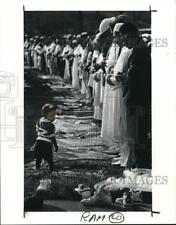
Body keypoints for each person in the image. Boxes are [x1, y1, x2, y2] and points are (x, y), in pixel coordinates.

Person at [118, 22, 151, 168]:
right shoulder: (137, 50)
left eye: (123, 37)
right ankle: (137, 166)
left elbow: (139, 80)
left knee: (138, 137)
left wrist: (125, 77)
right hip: (135, 100)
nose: (123, 41)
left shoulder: (140, 51)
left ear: (130, 34)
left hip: (137, 101)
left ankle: (140, 169)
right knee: (135, 137)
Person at [34, 104, 59, 173]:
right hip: (47, 144)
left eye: (55, 115)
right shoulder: (51, 125)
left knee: (38, 158)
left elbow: (37, 131)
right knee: (50, 159)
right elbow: (52, 137)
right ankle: (52, 171)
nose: (54, 117)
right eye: (52, 115)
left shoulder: (39, 121)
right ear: (46, 115)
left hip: (38, 142)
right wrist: (56, 146)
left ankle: (37, 169)